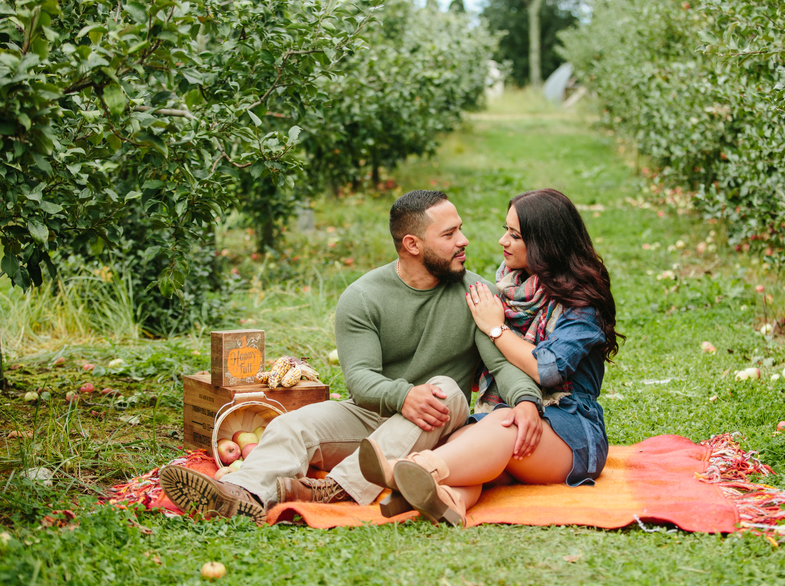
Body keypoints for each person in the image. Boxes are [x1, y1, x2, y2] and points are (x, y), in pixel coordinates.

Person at [159, 190, 543, 525]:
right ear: (412, 244)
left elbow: (501, 364)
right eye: (449, 234)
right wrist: (402, 397)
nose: (464, 240)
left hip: (440, 424)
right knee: (293, 425)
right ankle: (242, 496)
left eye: (459, 229)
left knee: (442, 389)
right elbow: (360, 381)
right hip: (375, 415)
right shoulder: (362, 297)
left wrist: (526, 401)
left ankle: (332, 489)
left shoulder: (477, 292)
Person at [359, 188, 622, 526]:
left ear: (545, 243)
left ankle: (408, 470)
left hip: (570, 426)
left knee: (499, 425)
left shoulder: (582, 305)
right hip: (516, 416)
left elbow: (550, 369)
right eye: (505, 229)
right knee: (463, 441)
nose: (502, 241)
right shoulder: (509, 290)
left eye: (514, 235)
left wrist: (497, 330)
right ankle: (448, 499)